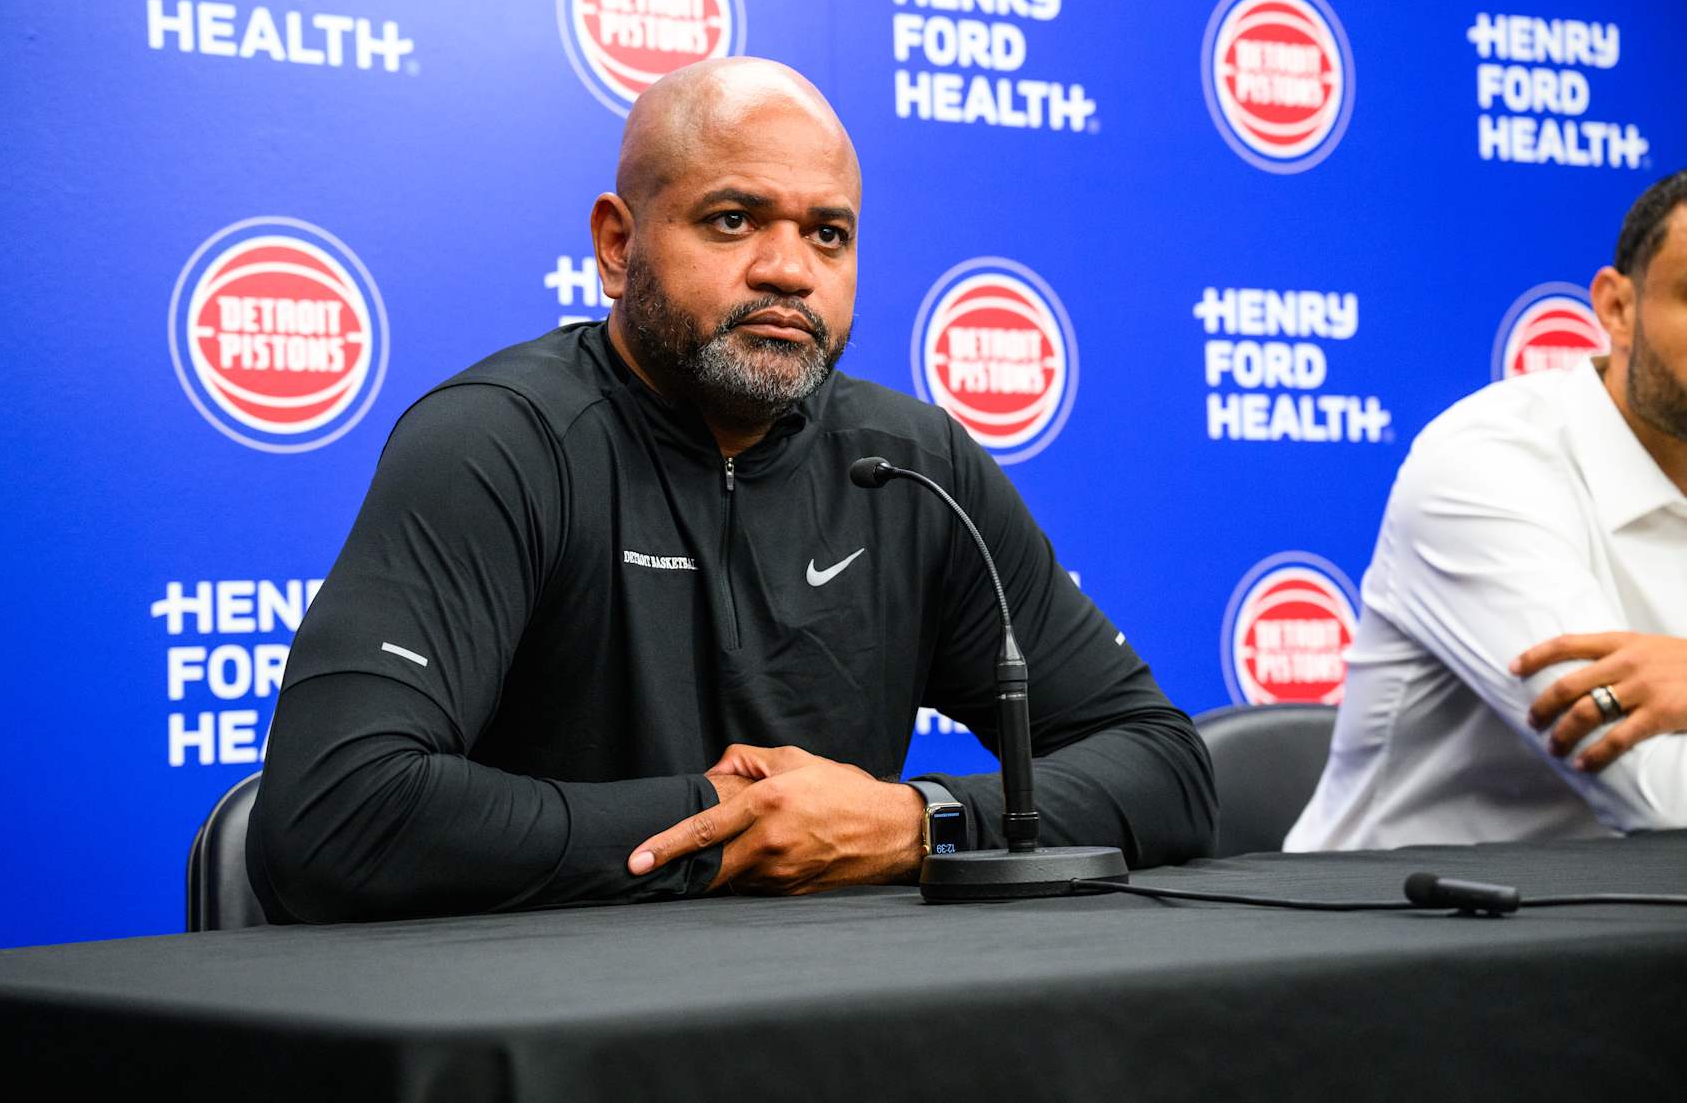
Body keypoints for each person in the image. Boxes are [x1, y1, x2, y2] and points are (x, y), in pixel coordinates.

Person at [245, 58, 1214, 921]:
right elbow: (334, 814)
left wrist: (916, 820)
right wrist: (727, 826)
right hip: (553, 1030)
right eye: (734, 219)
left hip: (849, 1032)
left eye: (828, 235)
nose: (788, 269)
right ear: (618, 245)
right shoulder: (498, 442)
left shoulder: (914, 466)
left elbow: (1165, 765)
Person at [1287, 169, 1687, 851]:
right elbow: (1654, 793)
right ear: (1616, 309)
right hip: (1393, 932)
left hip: (1620, 924)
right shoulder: (1484, 467)